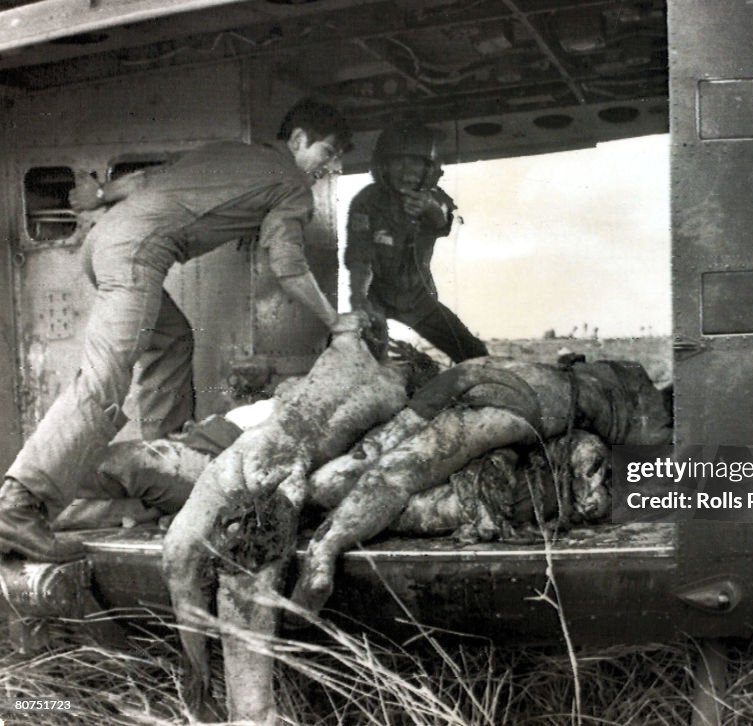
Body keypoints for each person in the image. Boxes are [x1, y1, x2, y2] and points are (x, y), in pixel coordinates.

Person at [0, 98, 352, 561]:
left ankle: (161, 463)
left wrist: (101, 196)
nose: (327, 168)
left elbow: (146, 180)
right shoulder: (292, 185)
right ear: (299, 139)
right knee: (105, 377)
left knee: (172, 339)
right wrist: (335, 320)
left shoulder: (235, 152)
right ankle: (19, 503)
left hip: (105, 240)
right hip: (138, 252)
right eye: (326, 155)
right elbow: (287, 264)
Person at [344, 122, 488, 363]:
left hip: (418, 299)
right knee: (367, 358)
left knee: (473, 353)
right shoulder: (368, 200)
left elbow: (442, 219)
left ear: (429, 168)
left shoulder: (435, 197)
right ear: (384, 166)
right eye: (398, 161)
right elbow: (359, 256)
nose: (406, 171)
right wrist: (360, 301)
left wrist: (429, 208)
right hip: (376, 296)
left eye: (416, 162)